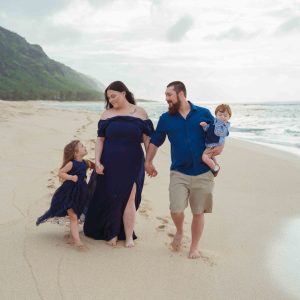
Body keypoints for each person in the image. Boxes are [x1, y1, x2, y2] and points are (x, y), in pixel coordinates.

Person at [145, 81, 221, 259]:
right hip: (179, 172)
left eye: (169, 95)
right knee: (176, 210)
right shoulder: (166, 119)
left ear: (181, 94)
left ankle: (194, 247)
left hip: (203, 173)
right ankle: (179, 230)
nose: (166, 99)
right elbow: (156, 140)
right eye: (165, 96)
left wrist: (221, 148)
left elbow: (218, 133)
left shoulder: (203, 113)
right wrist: (148, 161)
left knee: (198, 212)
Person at [83, 81, 153, 248]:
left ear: (123, 93)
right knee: (113, 197)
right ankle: (112, 232)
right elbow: (100, 140)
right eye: (109, 98)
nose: (111, 100)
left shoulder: (141, 113)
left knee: (130, 197)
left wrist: (149, 161)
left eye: (114, 96)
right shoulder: (106, 114)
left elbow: (147, 140)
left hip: (133, 161)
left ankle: (128, 236)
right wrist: (97, 161)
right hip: (109, 161)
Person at [36, 140, 95, 249]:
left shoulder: (85, 163)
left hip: (81, 193)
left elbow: (95, 166)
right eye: (82, 146)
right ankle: (77, 241)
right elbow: (60, 172)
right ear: (75, 153)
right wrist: (71, 177)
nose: (84, 146)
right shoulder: (71, 163)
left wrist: (99, 167)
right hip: (68, 193)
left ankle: (72, 237)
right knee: (73, 216)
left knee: (76, 216)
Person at [200, 104, 231, 177]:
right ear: (216, 115)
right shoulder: (214, 122)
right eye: (220, 115)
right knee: (211, 156)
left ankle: (215, 168)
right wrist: (205, 126)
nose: (222, 117)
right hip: (210, 144)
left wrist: (219, 124)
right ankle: (216, 165)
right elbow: (209, 129)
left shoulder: (225, 125)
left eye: (225, 115)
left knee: (204, 157)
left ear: (229, 117)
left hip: (215, 145)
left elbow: (218, 132)